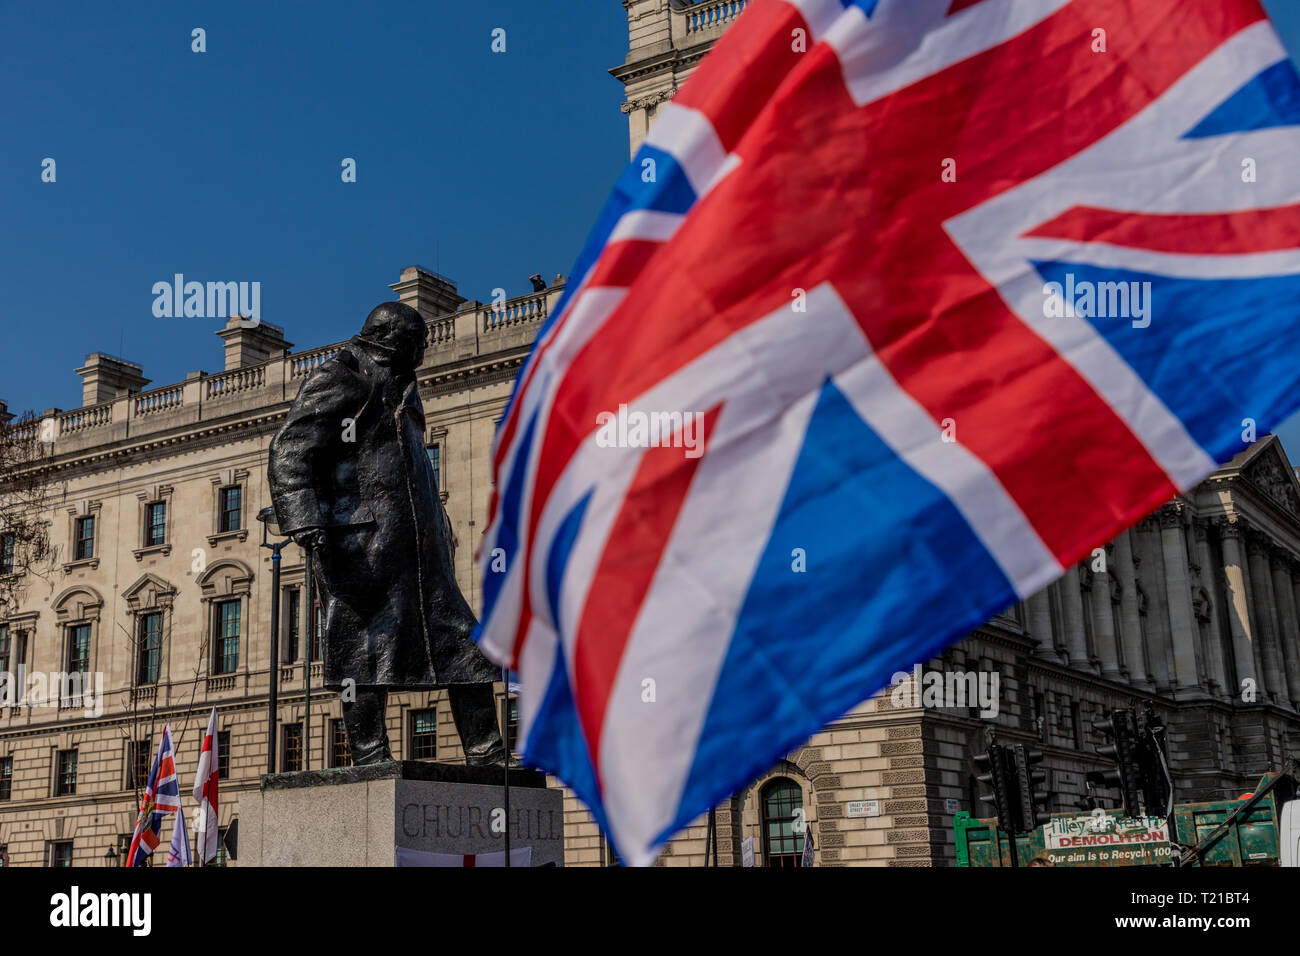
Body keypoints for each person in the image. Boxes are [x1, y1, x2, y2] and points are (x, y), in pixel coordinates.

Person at [268, 301, 506, 766]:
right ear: (395, 342)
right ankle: (371, 753)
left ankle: (487, 751)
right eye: (419, 343)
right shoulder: (341, 378)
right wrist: (305, 520)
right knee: (361, 649)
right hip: (361, 547)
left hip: (417, 551)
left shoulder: (400, 385)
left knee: (464, 645)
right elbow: (289, 449)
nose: (423, 351)